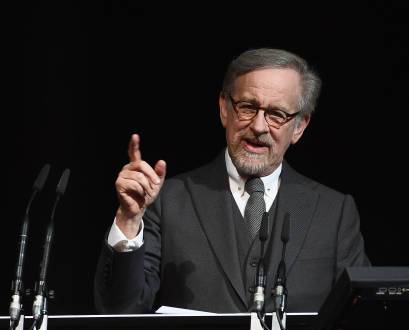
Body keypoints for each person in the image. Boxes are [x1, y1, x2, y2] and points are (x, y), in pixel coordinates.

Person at [95, 48, 368, 314]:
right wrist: (129, 221)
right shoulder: (168, 200)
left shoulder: (335, 213)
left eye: (276, 115)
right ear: (224, 109)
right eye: (247, 107)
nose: (259, 127)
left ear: (299, 127)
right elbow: (120, 311)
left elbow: (362, 321)